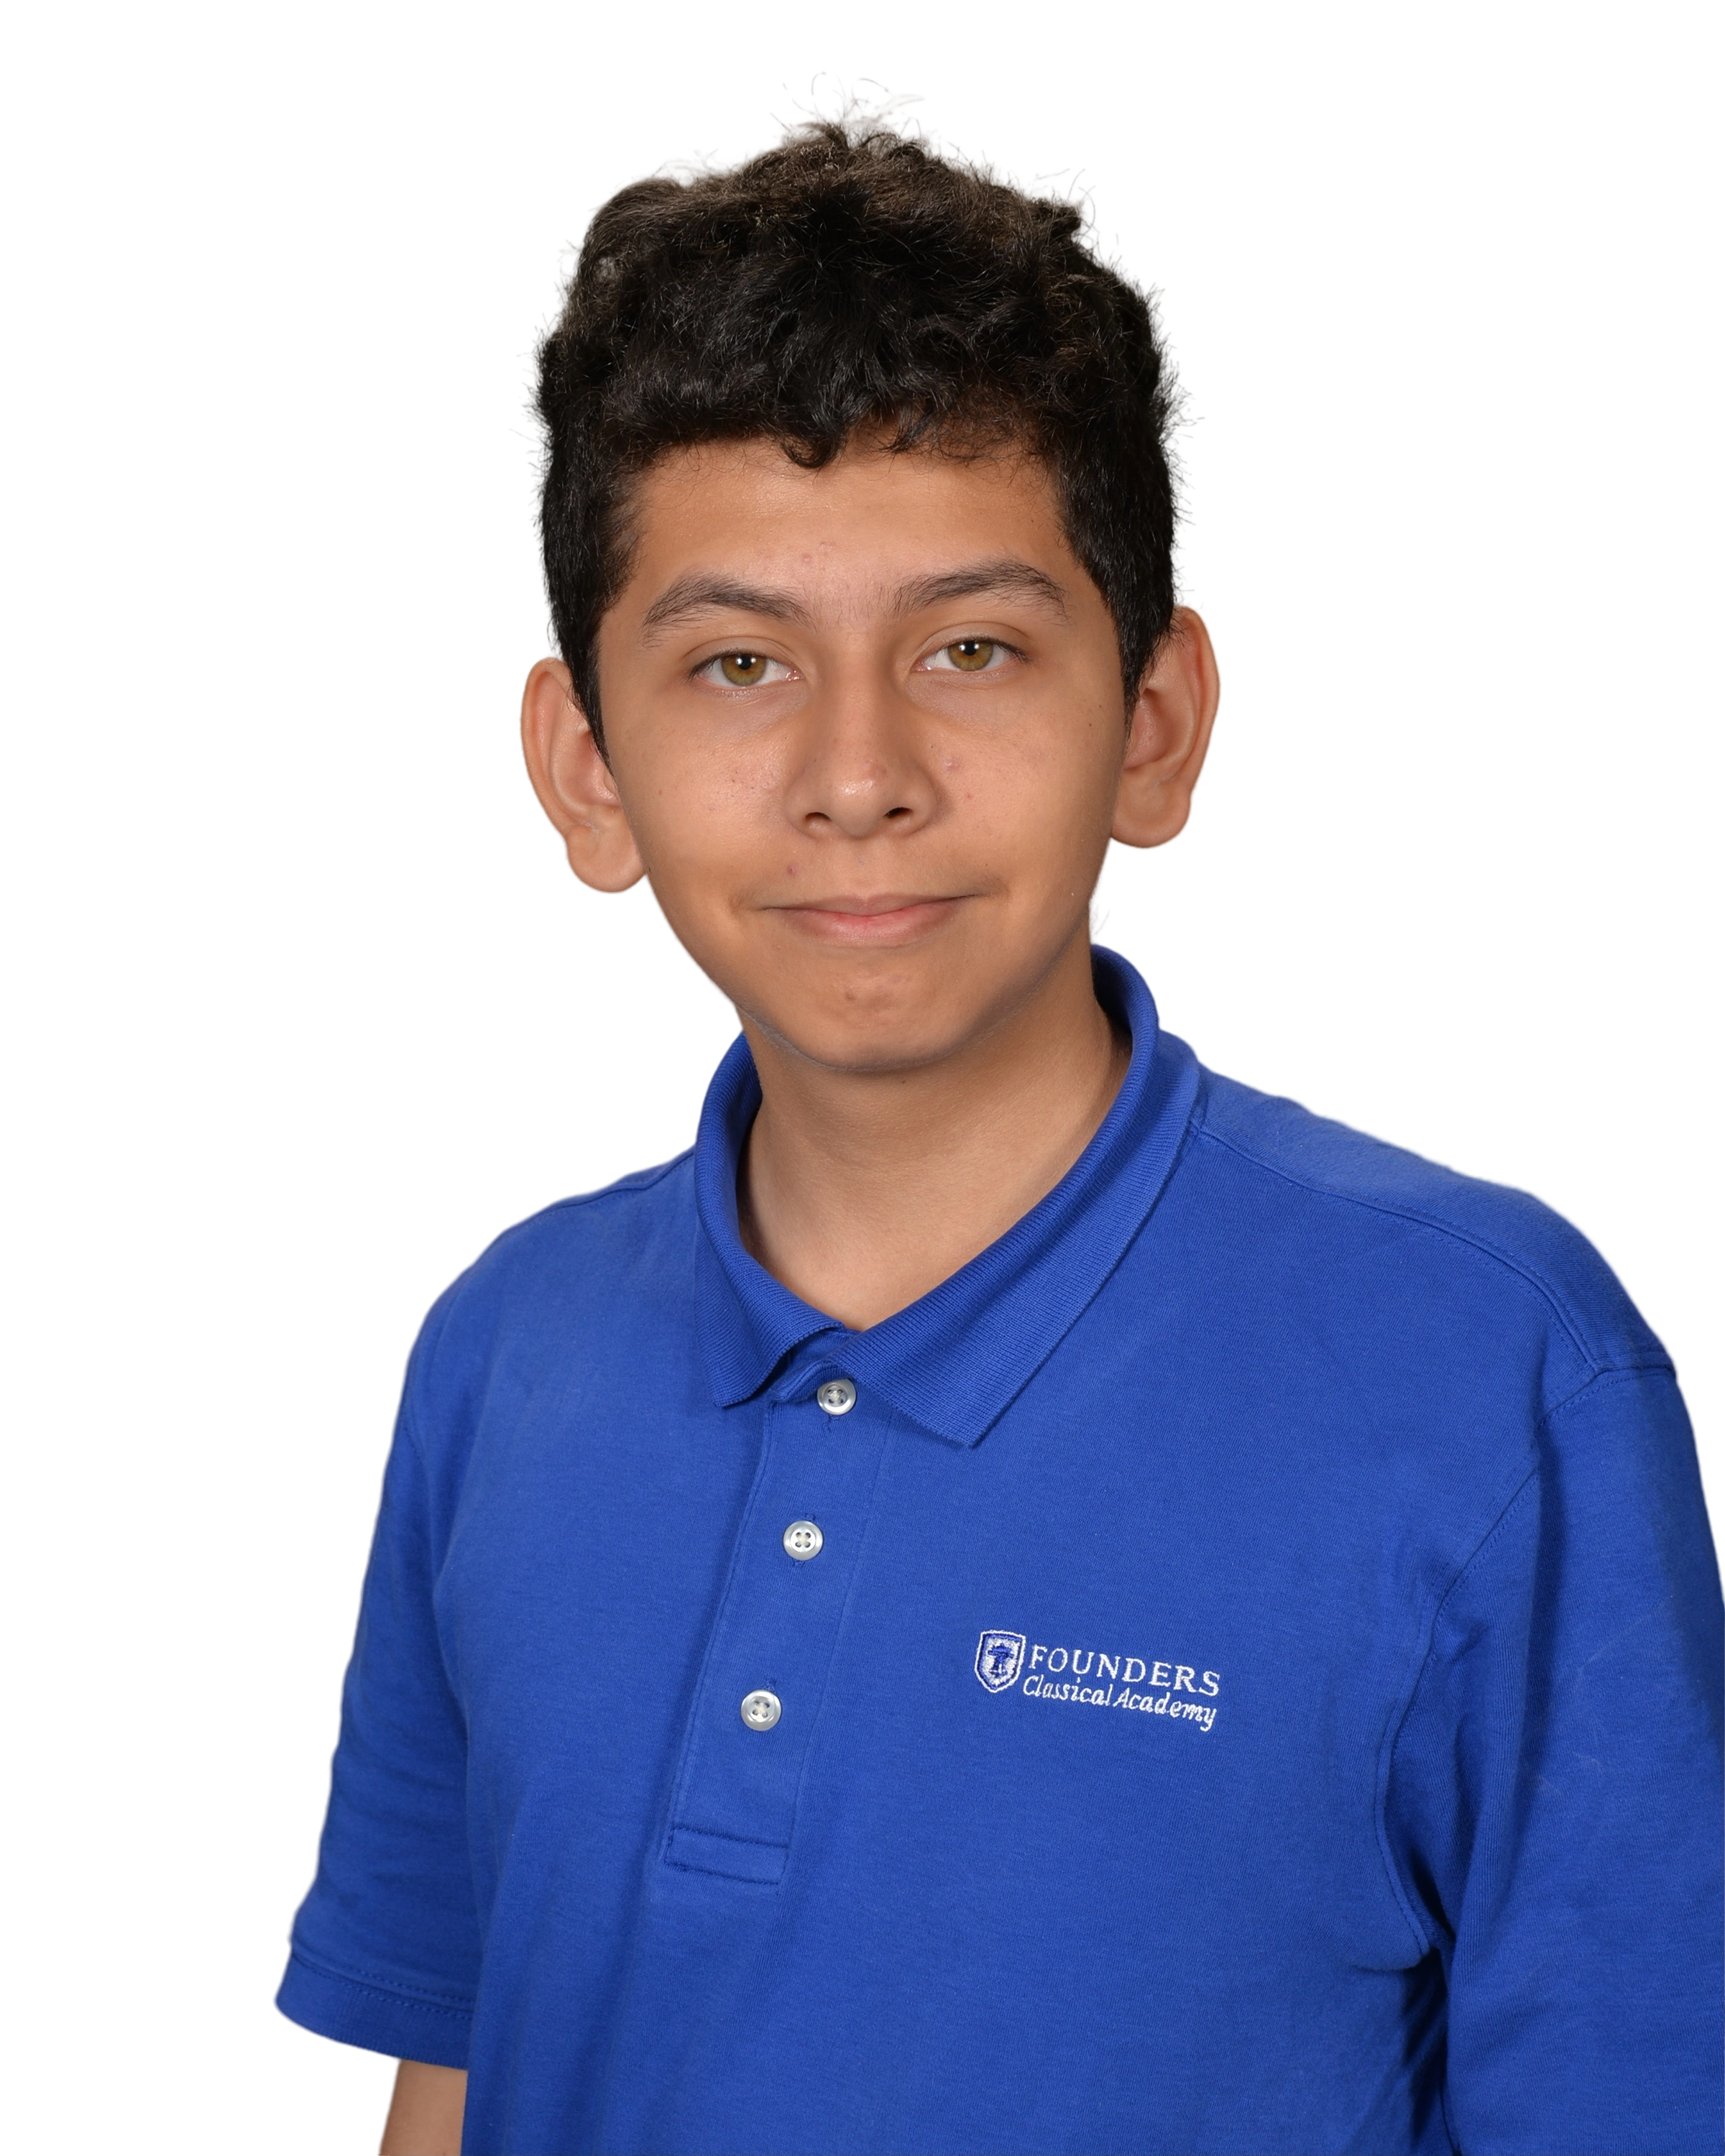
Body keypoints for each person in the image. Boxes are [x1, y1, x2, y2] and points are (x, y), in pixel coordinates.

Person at [270, 74, 1723, 2156]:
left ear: (1155, 725)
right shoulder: (503, 1349)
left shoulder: (1496, 1360)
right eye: (738, 665)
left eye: (969, 647)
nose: (860, 775)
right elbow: (464, 2067)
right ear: (587, 769)